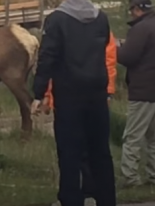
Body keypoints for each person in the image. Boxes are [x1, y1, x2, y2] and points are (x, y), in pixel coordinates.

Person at [31, 0, 117, 206]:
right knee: (100, 153)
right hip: (97, 94)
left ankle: (71, 200)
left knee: (69, 154)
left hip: (69, 95)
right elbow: (105, 54)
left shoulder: (56, 20)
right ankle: (107, 201)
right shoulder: (101, 17)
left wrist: (38, 93)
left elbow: (47, 58)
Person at [42, 25, 118, 205]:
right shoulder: (82, 26)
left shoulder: (73, 26)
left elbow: (108, 61)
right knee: (73, 151)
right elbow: (54, 63)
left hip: (83, 98)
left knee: (83, 149)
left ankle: (86, 192)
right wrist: (47, 94)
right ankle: (77, 193)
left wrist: (107, 91)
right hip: (70, 97)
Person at [117, 0, 155, 188]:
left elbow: (127, 57)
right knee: (153, 136)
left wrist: (117, 48)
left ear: (136, 9)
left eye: (132, 10)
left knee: (132, 136)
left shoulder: (141, 29)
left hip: (142, 89)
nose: (131, 14)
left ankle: (130, 178)